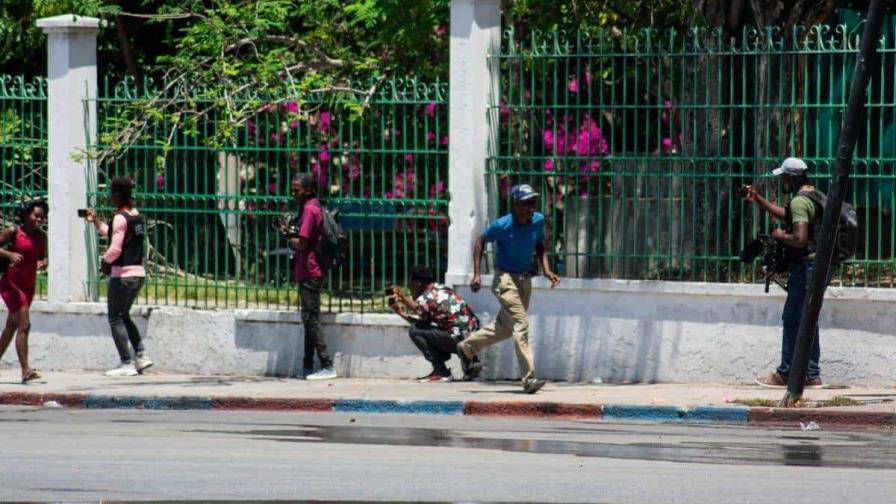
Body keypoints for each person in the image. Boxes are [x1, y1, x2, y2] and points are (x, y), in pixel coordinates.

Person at [457, 183, 560, 394]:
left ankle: (467, 347)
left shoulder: (538, 221)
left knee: (504, 328)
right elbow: (480, 241)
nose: (532, 207)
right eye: (527, 203)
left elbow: (540, 245)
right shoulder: (502, 225)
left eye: (534, 202)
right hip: (505, 280)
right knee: (521, 324)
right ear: (516, 204)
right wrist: (477, 274)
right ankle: (529, 379)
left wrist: (547, 270)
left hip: (525, 280)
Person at [743, 157, 826, 388]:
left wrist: (780, 236)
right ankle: (811, 374)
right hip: (818, 265)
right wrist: (758, 199)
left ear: (792, 177)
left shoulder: (800, 201)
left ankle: (787, 373)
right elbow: (787, 214)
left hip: (807, 266)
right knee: (808, 319)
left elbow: (799, 239)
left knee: (792, 318)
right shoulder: (814, 195)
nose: (782, 181)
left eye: (784, 177)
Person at [84, 177, 153, 377]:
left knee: (115, 317)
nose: (109, 197)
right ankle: (141, 355)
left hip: (122, 275)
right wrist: (96, 222)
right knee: (124, 315)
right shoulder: (136, 216)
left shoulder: (120, 217)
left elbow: (115, 247)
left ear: (116, 194)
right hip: (138, 274)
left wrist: (104, 263)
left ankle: (126, 363)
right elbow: (117, 234)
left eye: (111, 193)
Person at [388, 265, 483, 383]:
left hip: (458, 340)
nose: (410, 289)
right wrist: (401, 308)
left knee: (414, 330)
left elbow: (419, 327)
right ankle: (470, 359)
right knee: (446, 327)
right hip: (476, 337)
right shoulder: (441, 288)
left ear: (417, 284)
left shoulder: (425, 298)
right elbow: (424, 321)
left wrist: (401, 308)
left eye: (410, 285)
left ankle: (441, 371)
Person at [289, 173, 336, 380]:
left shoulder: (309, 209)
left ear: (307, 190)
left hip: (310, 270)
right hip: (311, 269)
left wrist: (287, 237)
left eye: (297, 190)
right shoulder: (315, 206)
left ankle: (327, 365)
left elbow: (302, 243)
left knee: (311, 318)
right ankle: (307, 365)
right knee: (308, 318)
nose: (293, 193)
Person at [0, 199, 48, 384]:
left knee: (11, 327)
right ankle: (25, 370)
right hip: (11, 284)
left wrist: (43, 263)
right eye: (36, 216)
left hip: (29, 285)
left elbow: (42, 258)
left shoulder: (41, 237)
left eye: (42, 217)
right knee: (24, 324)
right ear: (26, 215)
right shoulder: (13, 232)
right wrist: (9, 254)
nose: (40, 220)